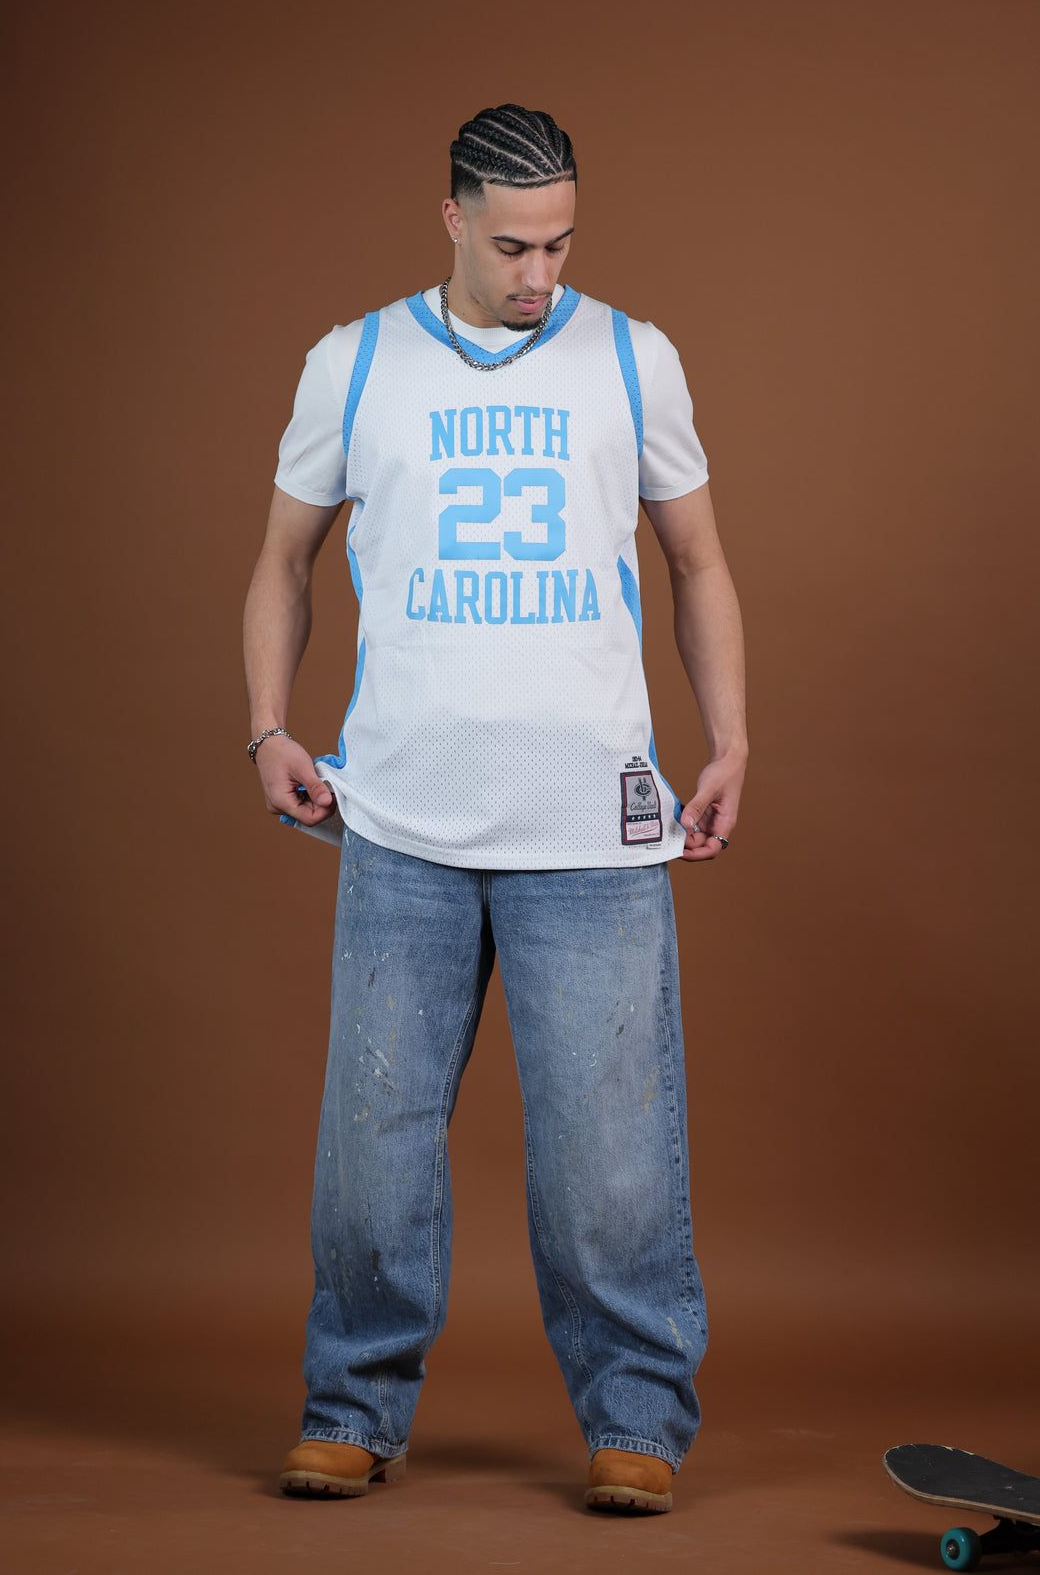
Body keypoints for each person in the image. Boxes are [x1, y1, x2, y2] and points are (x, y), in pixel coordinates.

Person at [242, 104, 747, 1515]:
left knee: (610, 1162)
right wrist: (270, 726)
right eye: (514, 245)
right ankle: (352, 1407)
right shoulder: (354, 364)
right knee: (372, 1152)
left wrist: (731, 740)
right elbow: (282, 561)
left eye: (561, 244)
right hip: (399, 822)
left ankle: (636, 1418)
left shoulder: (634, 358)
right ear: (453, 219)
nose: (539, 273)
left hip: (590, 830)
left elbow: (698, 562)